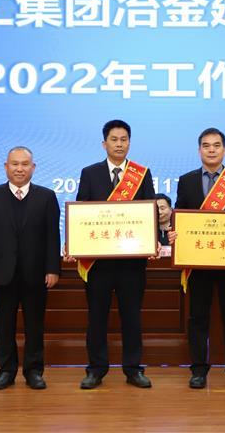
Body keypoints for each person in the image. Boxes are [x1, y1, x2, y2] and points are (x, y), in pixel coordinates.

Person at [72, 119, 156, 390]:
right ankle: (96, 369)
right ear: (104, 143)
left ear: (129, 143)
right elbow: (81, 212)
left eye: (124, 139)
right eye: (114, 139)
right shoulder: (90, 173)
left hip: (132, 263)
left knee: (132, 318)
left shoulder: (142, 174)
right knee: (97, 318)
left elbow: (150, 212)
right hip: (99, 263)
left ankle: (133, 369)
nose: (119, 144)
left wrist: (152, 238)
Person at [169, 127, 225, 390]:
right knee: (198, 317)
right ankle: (198, 370)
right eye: (206, 146)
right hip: (198, 262)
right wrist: (174, 233)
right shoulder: (186, 181)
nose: (211, 150)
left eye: (216, 145)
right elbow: (180, 216)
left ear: (224, 150)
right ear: (199, 151)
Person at [0, 146, 61, 391]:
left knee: (35, 325)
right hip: (2, 273)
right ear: (6, 167)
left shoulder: (47, 196)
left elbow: (52, 237)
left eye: (25, 164)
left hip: (37, 273)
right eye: (15, 164)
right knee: (4, 325)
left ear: (33, 168)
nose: (20, 169)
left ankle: (34, 371)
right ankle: (6, 371)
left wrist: (53, 268)